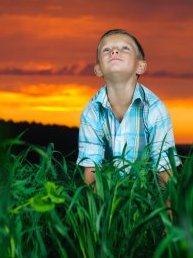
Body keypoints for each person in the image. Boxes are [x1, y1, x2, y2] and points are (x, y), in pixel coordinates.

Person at [76, 29, 181, 191]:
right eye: (106, 50)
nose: (114, 51)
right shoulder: (92, 111)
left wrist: (165, 214)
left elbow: (165, 172)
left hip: (146, 196)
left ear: (140, 66)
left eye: (125, 48)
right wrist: (98, 214)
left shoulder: (155, 109)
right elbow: (91, 172)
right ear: (98, 69)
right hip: (108, 198)